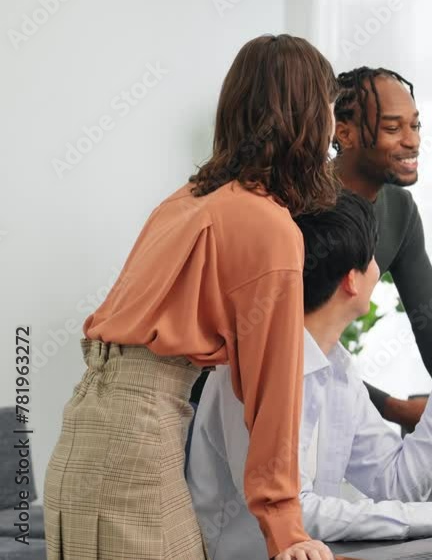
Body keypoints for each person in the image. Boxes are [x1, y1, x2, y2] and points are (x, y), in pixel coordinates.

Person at [43, 35, 335, 560]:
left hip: (81, 432)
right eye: (330, 109)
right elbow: (274, 392)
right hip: (134, 443)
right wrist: (286, 528)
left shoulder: (184, 201)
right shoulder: (268, 226)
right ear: (307, 118)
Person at [188, 191, 432, 559]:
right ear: (351, 280)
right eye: (374, 258)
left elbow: (397, 486)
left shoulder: (338, 369)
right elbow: (295, 514)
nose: (380, 268)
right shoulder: (254, 368)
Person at [332, 67, 432, 490]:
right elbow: (295, 351)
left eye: (416, 125)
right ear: (343, 133)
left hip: (332, 399)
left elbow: (430, 322)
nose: (412, 140)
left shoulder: (399, 209)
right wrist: (395, 408)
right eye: (392, 127)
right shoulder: (305, 207)